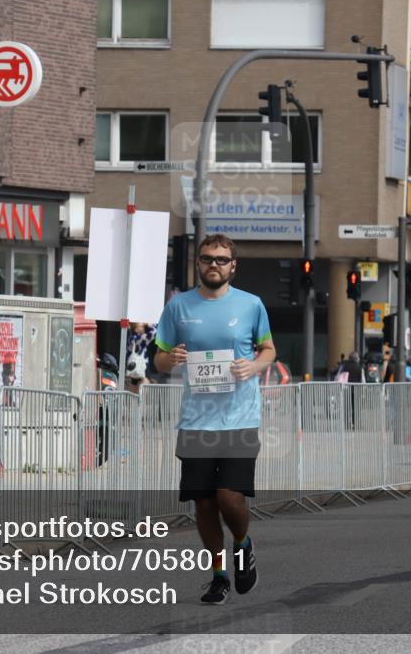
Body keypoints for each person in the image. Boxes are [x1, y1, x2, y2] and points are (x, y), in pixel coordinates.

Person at [154, 234, 274, 605]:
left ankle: (242, 542)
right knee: (204, 504)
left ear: (233, 266)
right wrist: (169, 359)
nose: (214, 265)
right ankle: (219, 573)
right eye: (207, 258)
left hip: (239, 418)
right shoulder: (179, 307)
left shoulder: (251, 305)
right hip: (195, 421)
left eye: (222, 260)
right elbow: (158, 359)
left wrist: (253, 365)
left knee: (229, 498)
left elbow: (269, 349)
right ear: (198, 264)